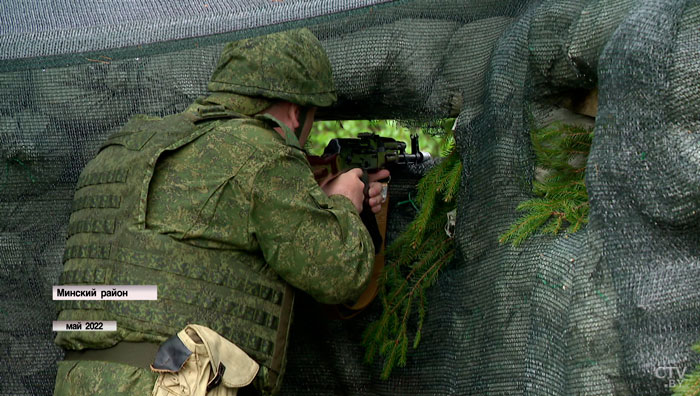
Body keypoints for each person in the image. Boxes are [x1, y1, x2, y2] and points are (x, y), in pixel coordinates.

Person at [53, 28, 388, 396]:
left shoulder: (127, 144)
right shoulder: (263, 154)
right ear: (296, 113)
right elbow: (341, 274)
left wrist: (307, 200)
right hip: (170, 383)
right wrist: (340, 203)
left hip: (77, 380)